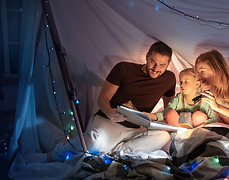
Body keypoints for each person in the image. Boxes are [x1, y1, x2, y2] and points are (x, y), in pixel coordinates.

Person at [47, 41, 176, 162]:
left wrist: (160, 120)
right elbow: (102, 99)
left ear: (169, 63)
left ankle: (113, 154)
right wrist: (110, 112)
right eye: (153, 62)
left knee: (163, 137)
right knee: (93, 145)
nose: (156, 68)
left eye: (162, 65)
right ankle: (57, 154)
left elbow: (169, 109)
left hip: (136, 129)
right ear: (147, 56)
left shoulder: (169, 79)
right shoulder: (124, 69)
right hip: (108, 121)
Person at [145, 68, 218, 128]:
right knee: (170, 113)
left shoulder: (202, 99)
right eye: (181, 82)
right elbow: (165, 112)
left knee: (198, 115)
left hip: (197, 130)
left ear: (197, 83)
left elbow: (213, 118)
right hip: (179, 128)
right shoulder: (178, 99)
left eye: (186, 82)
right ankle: (179, 134)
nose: (182, 85)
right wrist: (150, 116)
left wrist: (203, 125)